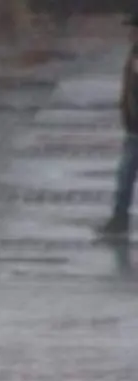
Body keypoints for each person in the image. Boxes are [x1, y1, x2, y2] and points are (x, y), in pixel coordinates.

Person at [98, 11, 138, 239]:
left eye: (133, 29)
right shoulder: (134, 53)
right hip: (134, 130)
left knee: (125, 175)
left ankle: (119, 219)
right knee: (124, 176)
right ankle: (119, 220)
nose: (130, 34)